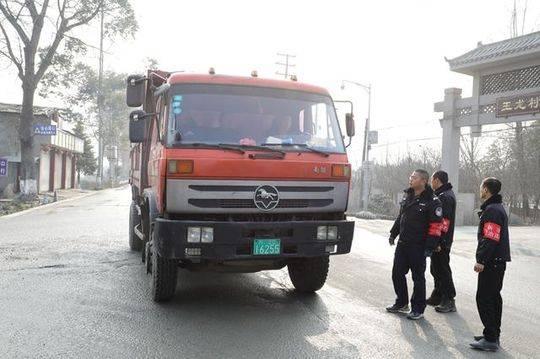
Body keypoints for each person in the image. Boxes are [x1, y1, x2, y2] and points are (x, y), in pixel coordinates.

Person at [386, 169, 443, 320]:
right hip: (403, 243)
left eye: (414, 177)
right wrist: (393, 233)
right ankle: (402, 303)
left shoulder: (433, 201)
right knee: (397, 273)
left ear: (423, 181)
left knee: (418, 278)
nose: (410, 179)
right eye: (410, 176)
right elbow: (401, 217)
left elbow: (436, 226)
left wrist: (430, 247)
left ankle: (418, 308)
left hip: (419, 246)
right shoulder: (408, 195)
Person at [470, 177, 511, 352]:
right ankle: (492, 333)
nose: (480, 190)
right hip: (496, 262)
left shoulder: (493, 210)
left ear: (486, 189)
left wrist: (481, 260)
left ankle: (491, 338)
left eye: (481, 187)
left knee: (485, 298)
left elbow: (490, 238)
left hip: (492, 262)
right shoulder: (495, 208)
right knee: (493, 298)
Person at [428, 170, 457, 313]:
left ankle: (449, 299)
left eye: (432, 179)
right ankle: (438, 295)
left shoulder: (445, 197)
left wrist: (439, 241)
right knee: (435, 268)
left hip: (442, 241)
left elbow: (444, 221)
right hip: (440, 239)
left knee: (442, 269)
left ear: (437, 180)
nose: (430, 182)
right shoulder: (442, 194)